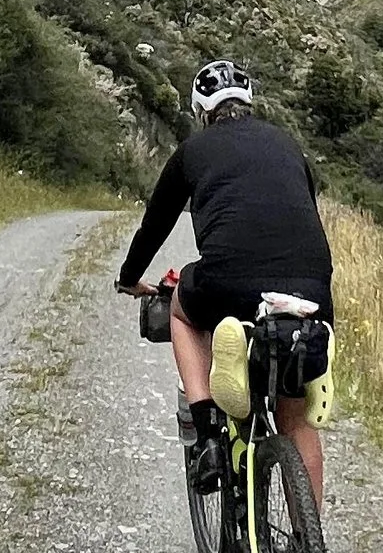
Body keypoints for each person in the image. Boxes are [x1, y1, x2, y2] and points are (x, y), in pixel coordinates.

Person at [116, 59, 335, 503]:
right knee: (297, 422)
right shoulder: (287, 143)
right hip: (311, 287)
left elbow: (155, 224)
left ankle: (204, 429)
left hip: (228, 281)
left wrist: (129, 278)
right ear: (248, 104)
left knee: (181, 307)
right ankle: (308, 549)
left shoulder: (193, 151)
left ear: (202, 111)